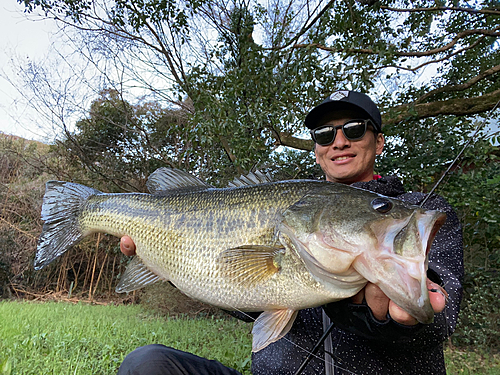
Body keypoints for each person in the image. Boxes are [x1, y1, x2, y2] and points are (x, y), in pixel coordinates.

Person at [117, 91, 464, 375]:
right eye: (325, 135)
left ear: (380, 142)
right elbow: (249, 302)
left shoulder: (419, 210)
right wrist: (174, 264)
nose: (339, 141)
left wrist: (394, 319)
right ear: (316, 151)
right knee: (147, 365)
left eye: (354, 129)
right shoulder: (296, 205)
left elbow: (442, 316)